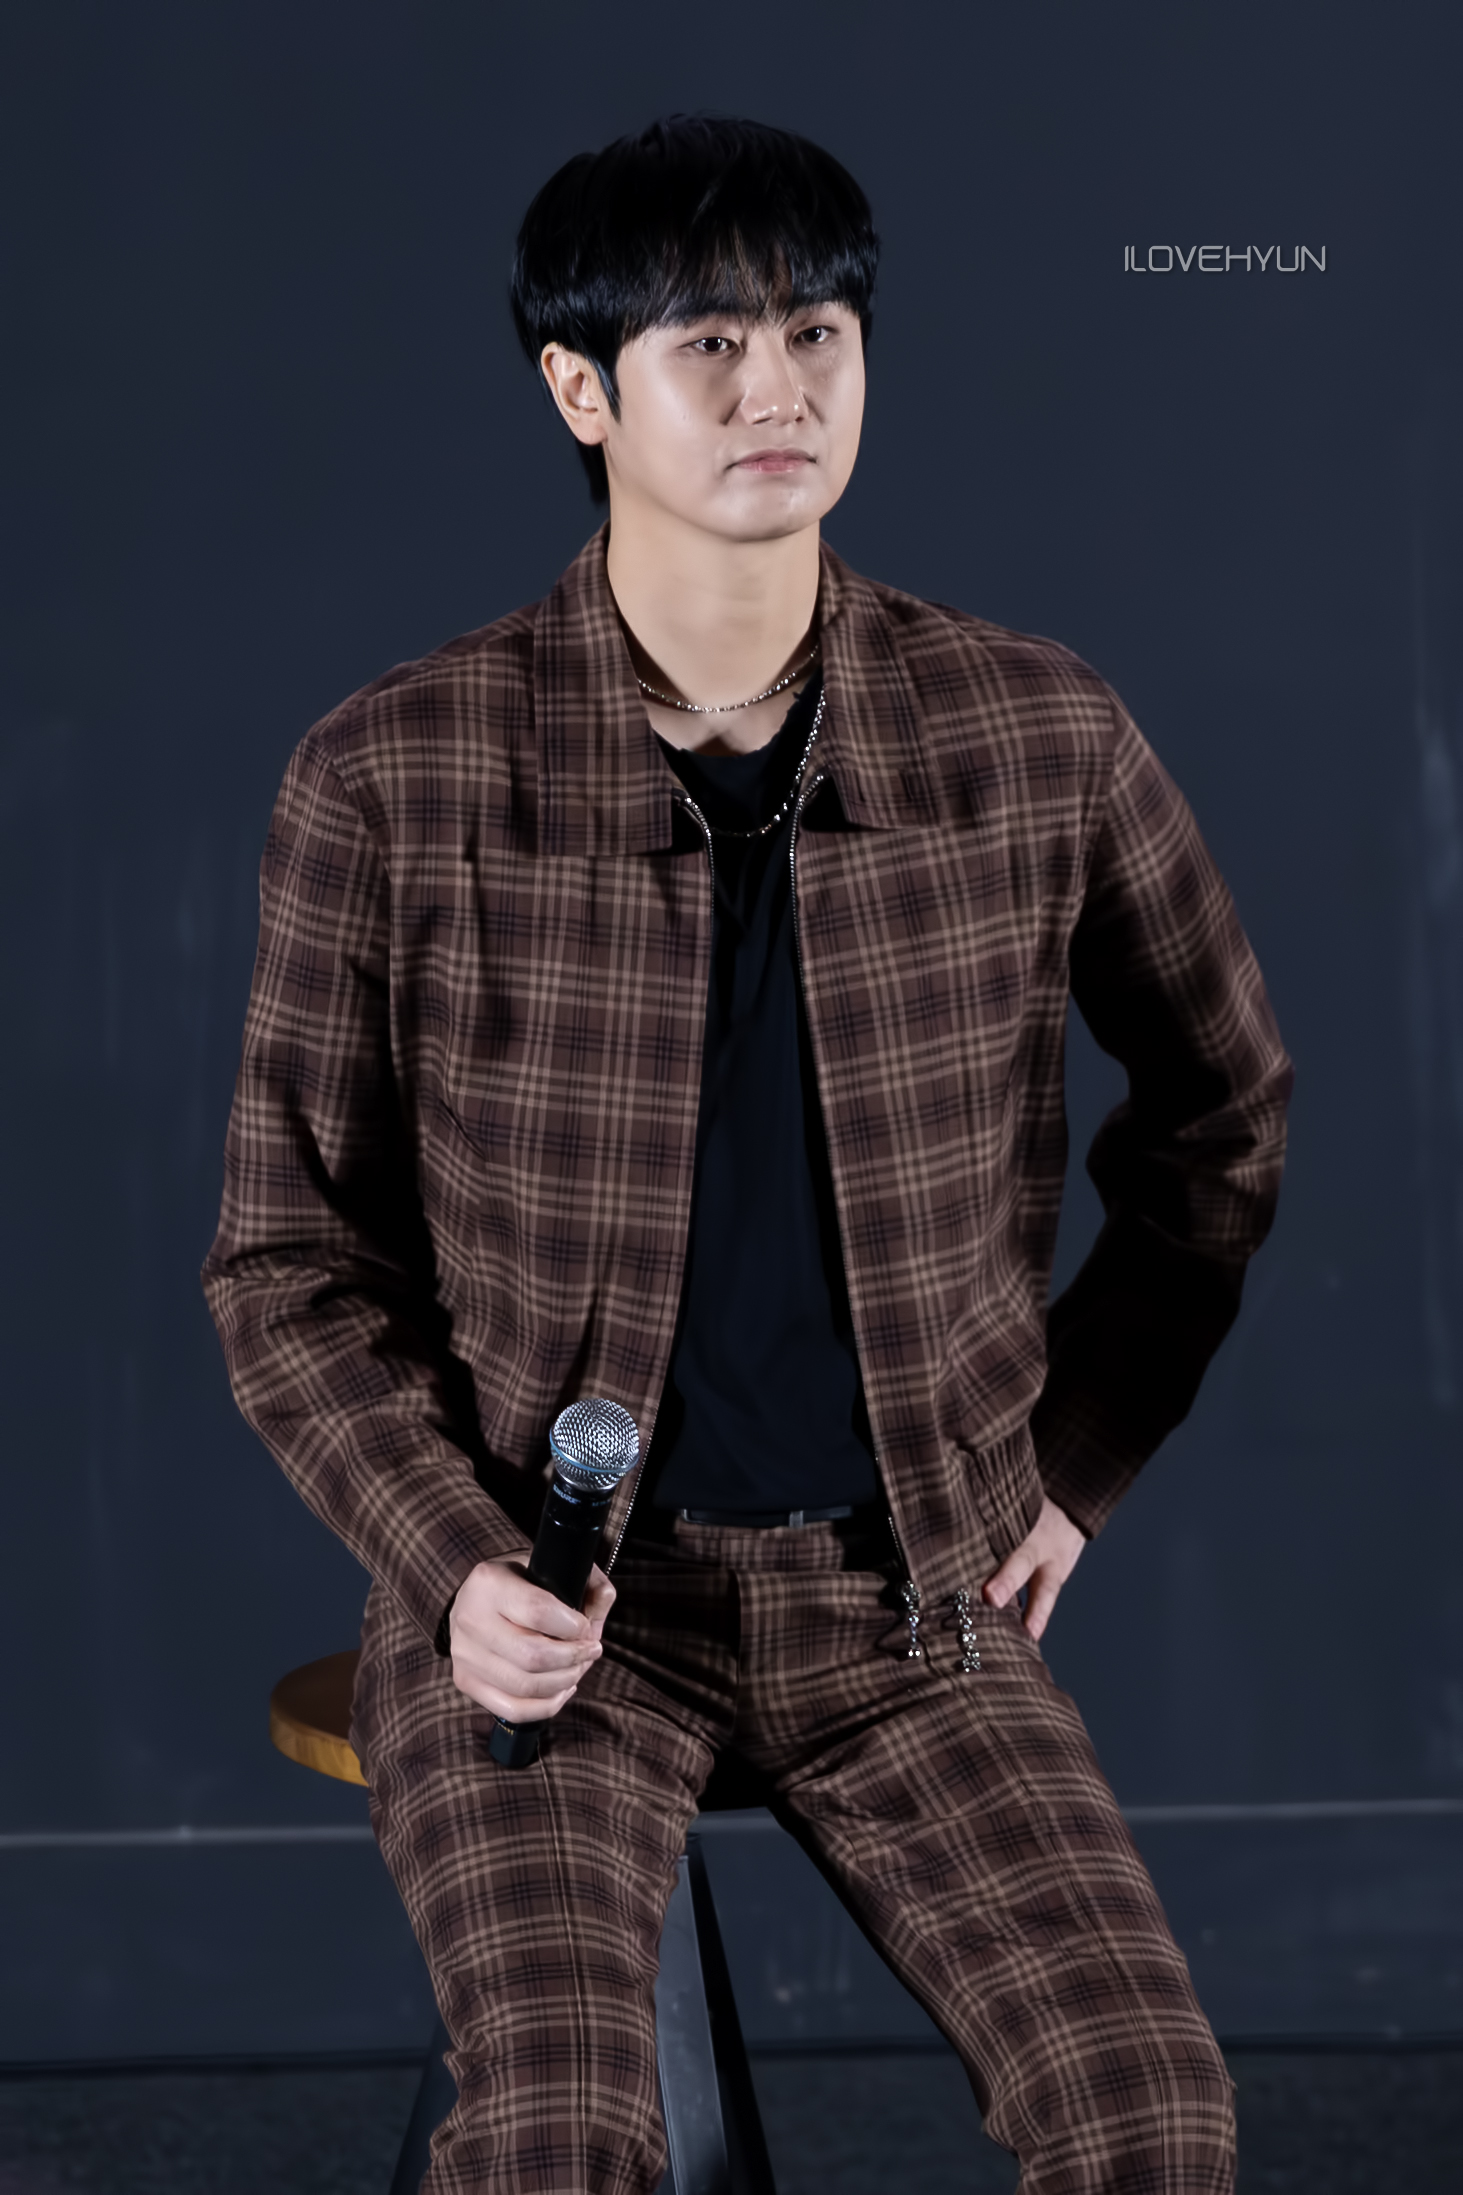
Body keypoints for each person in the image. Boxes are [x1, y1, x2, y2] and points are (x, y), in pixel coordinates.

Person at [204, 115, 1291, 2194]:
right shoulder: (397, 777)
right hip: (559, 1614)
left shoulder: (1032, 732)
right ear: (580, 388)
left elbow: (1224, 1109)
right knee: (558, 2143)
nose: (779, 385)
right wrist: (451, 1565)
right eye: (709, 341)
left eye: (818, 332)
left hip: (914, 1606)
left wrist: (1076, 1456)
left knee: (1151, 2120)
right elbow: (285, 1267)